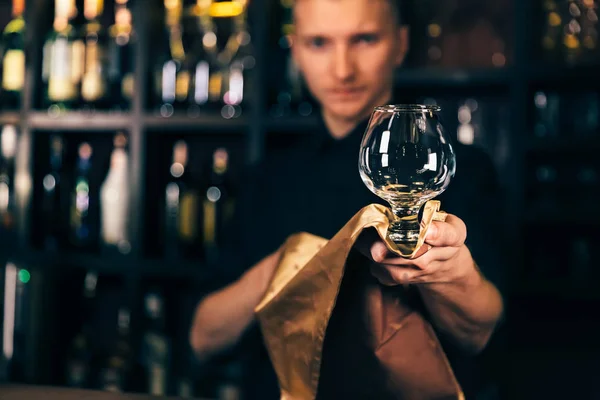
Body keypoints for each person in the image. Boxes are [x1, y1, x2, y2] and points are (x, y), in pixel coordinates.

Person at [189, 0, 506, 398]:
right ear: (297, 51)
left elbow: (483, 333)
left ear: (400, 43)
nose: (342, 69)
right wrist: (291, 262)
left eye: (364, 39)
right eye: (319, 43)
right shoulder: (268, 177)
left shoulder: (462, 170)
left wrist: (451, 276)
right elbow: (202, 338)